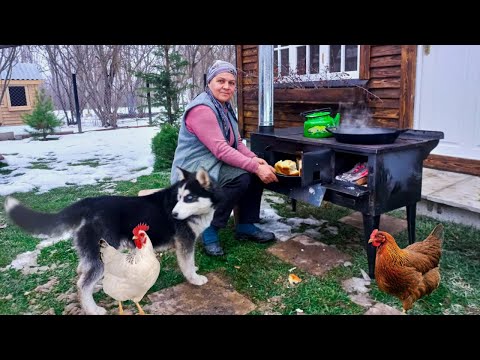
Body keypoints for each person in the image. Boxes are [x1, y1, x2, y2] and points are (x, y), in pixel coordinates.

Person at [170, 60, 278, 256]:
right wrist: (254, 166)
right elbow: (221, 149)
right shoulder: (202, 109)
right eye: (221, 81)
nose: (227, 87)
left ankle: (245, 224)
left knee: (252, 172)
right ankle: (208, 228)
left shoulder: (224, 108)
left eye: (231, 82)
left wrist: (255, 159)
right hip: (193, 170)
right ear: (210, 82)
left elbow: (235, 143)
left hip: (213, 163)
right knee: (242, 177)